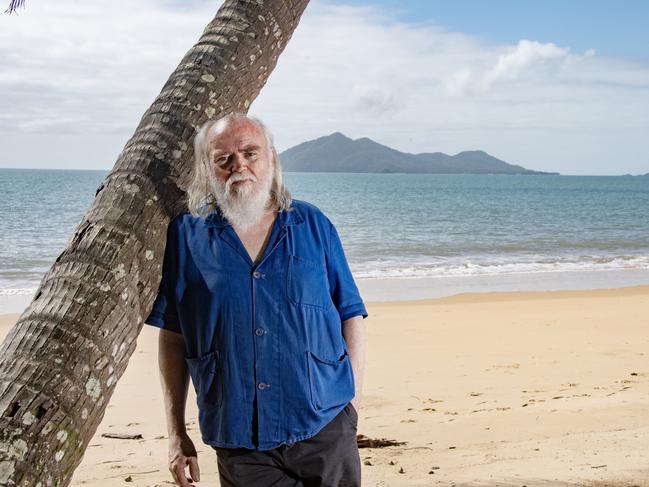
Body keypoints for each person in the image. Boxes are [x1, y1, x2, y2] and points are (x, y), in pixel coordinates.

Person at [145, 113, 368, 487]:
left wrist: (352, 408)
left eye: (250, 153)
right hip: (238, 437)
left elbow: (351, 315)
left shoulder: (313, 225)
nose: (239, 166)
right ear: (207, 167)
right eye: (224, 159)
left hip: (325, 426)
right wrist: (174, 432)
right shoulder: (186, 236)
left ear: (272, 158)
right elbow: (173, 335)